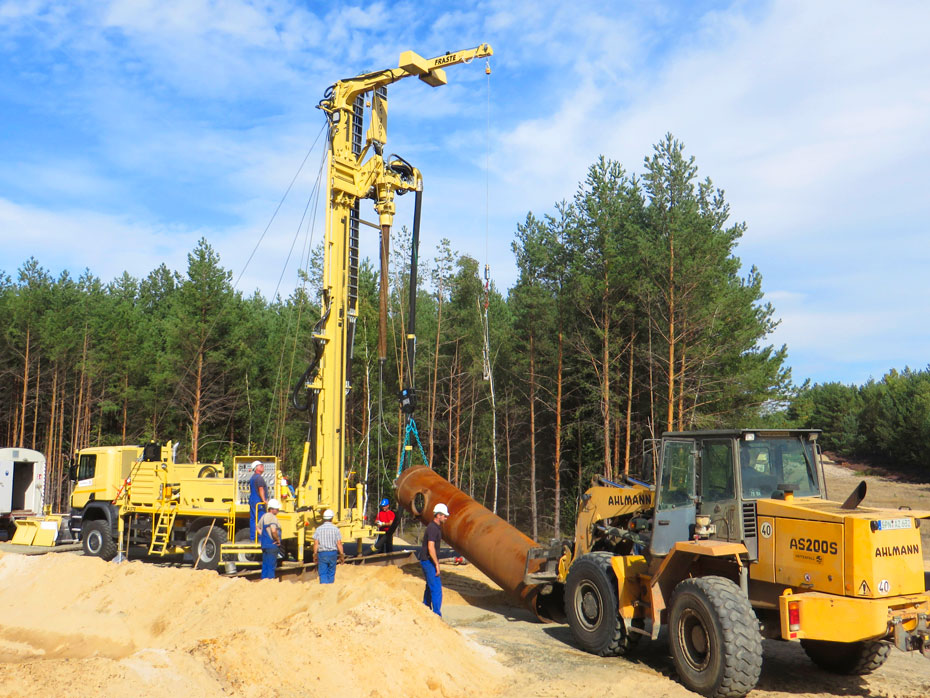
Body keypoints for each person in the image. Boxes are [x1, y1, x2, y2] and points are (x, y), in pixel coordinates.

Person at [419, 502, 449, 617]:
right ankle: (436, 615)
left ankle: (425, 608)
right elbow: (431, 547)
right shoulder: (432, 528)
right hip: (428, 561)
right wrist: (436, 564)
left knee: (429, 586)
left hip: (427, 560)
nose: (446, 517)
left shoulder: (435, 527)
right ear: (438, 515)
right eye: (444, 515)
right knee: (436, 588)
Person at [312, 509, 344, 584]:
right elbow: (339, 543)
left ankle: (324, 588)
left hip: (322, 553)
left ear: (324, 518)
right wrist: (342, 554)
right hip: (333, 553)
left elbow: (316, 543)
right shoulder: (336, 529)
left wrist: (315, 554)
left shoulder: (318, 529)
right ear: (332, 518)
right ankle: (330, 587)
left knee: (322, 573)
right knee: (331, 572)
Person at [259, 498, 283, 579]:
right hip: (272, 546)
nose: (278, 510)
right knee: (271, 566)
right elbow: (273, 530)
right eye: (277, 509)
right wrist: (277, 540)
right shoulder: (272, 518)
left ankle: (264, 582)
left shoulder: (263, 517)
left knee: (265, 566)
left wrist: (263, 535)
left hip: (264, 545)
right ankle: (270, 582)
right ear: (272, 509)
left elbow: (257, 527)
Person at [248, 460, 268, 542]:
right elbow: (261, 489)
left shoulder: (253, 477)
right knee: (260, 519)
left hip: (252, 500)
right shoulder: (259, 478)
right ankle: (260, 538)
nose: (262, 466)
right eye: (260, 465)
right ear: (256, 468)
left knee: (253, 519)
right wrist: (264, 500)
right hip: (258, 501)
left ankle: (253, 538)